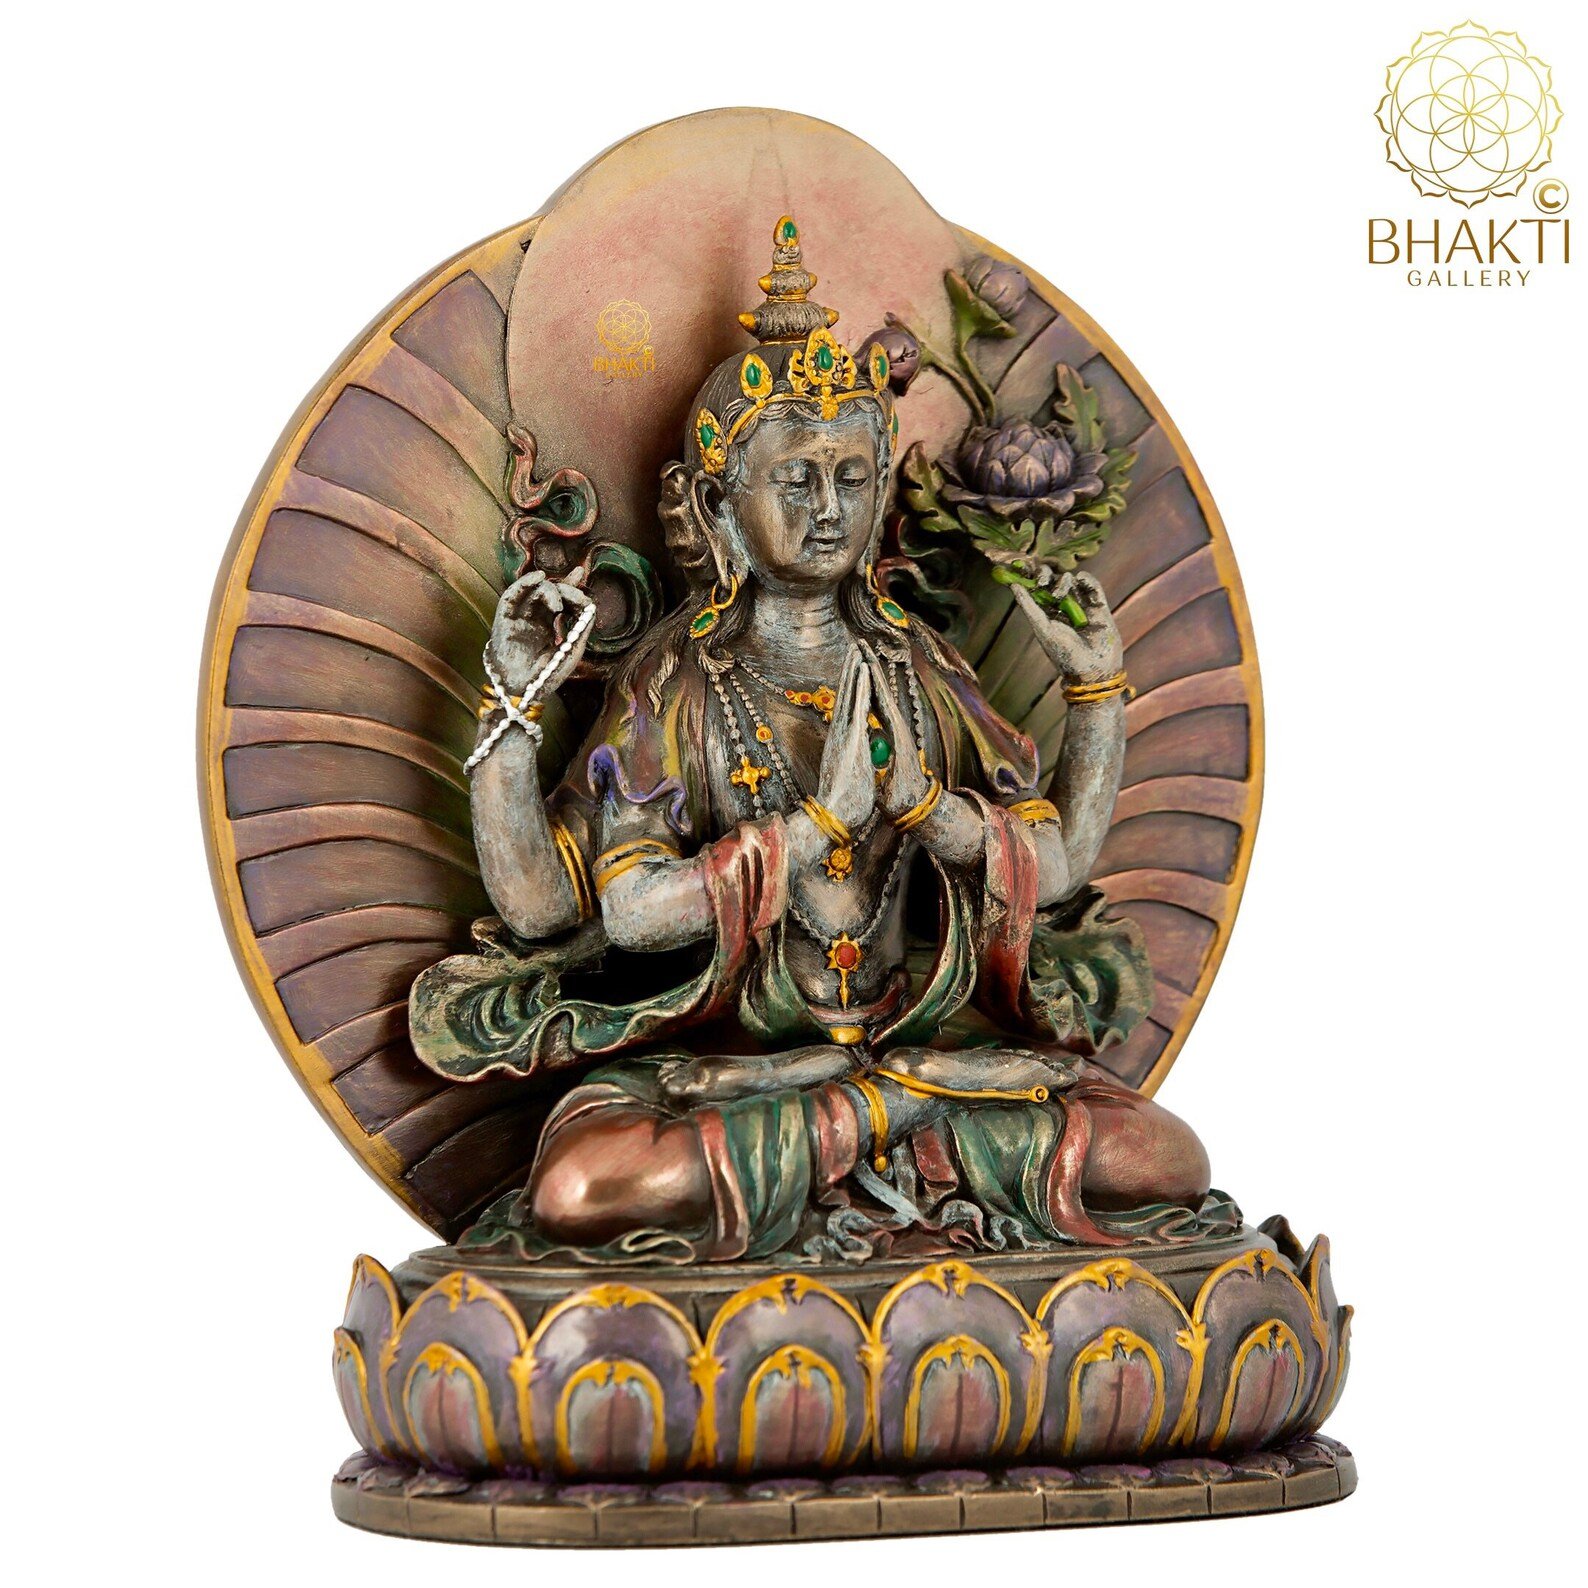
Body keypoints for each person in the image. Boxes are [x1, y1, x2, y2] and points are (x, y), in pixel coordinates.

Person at [411, 218, 1214, 1263]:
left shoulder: (916, 665)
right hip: (734, 1066)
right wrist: (519, 713)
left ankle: (856, 1116)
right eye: (796, 480)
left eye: (853, 477)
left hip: (907, 1043)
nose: (830, 509)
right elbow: (576, 908)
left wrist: (1088, 697)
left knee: (1160, 1159)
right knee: (584, 1184)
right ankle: (882, 1122)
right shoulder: (678, 679)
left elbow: (1051, 872)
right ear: (718, 505)